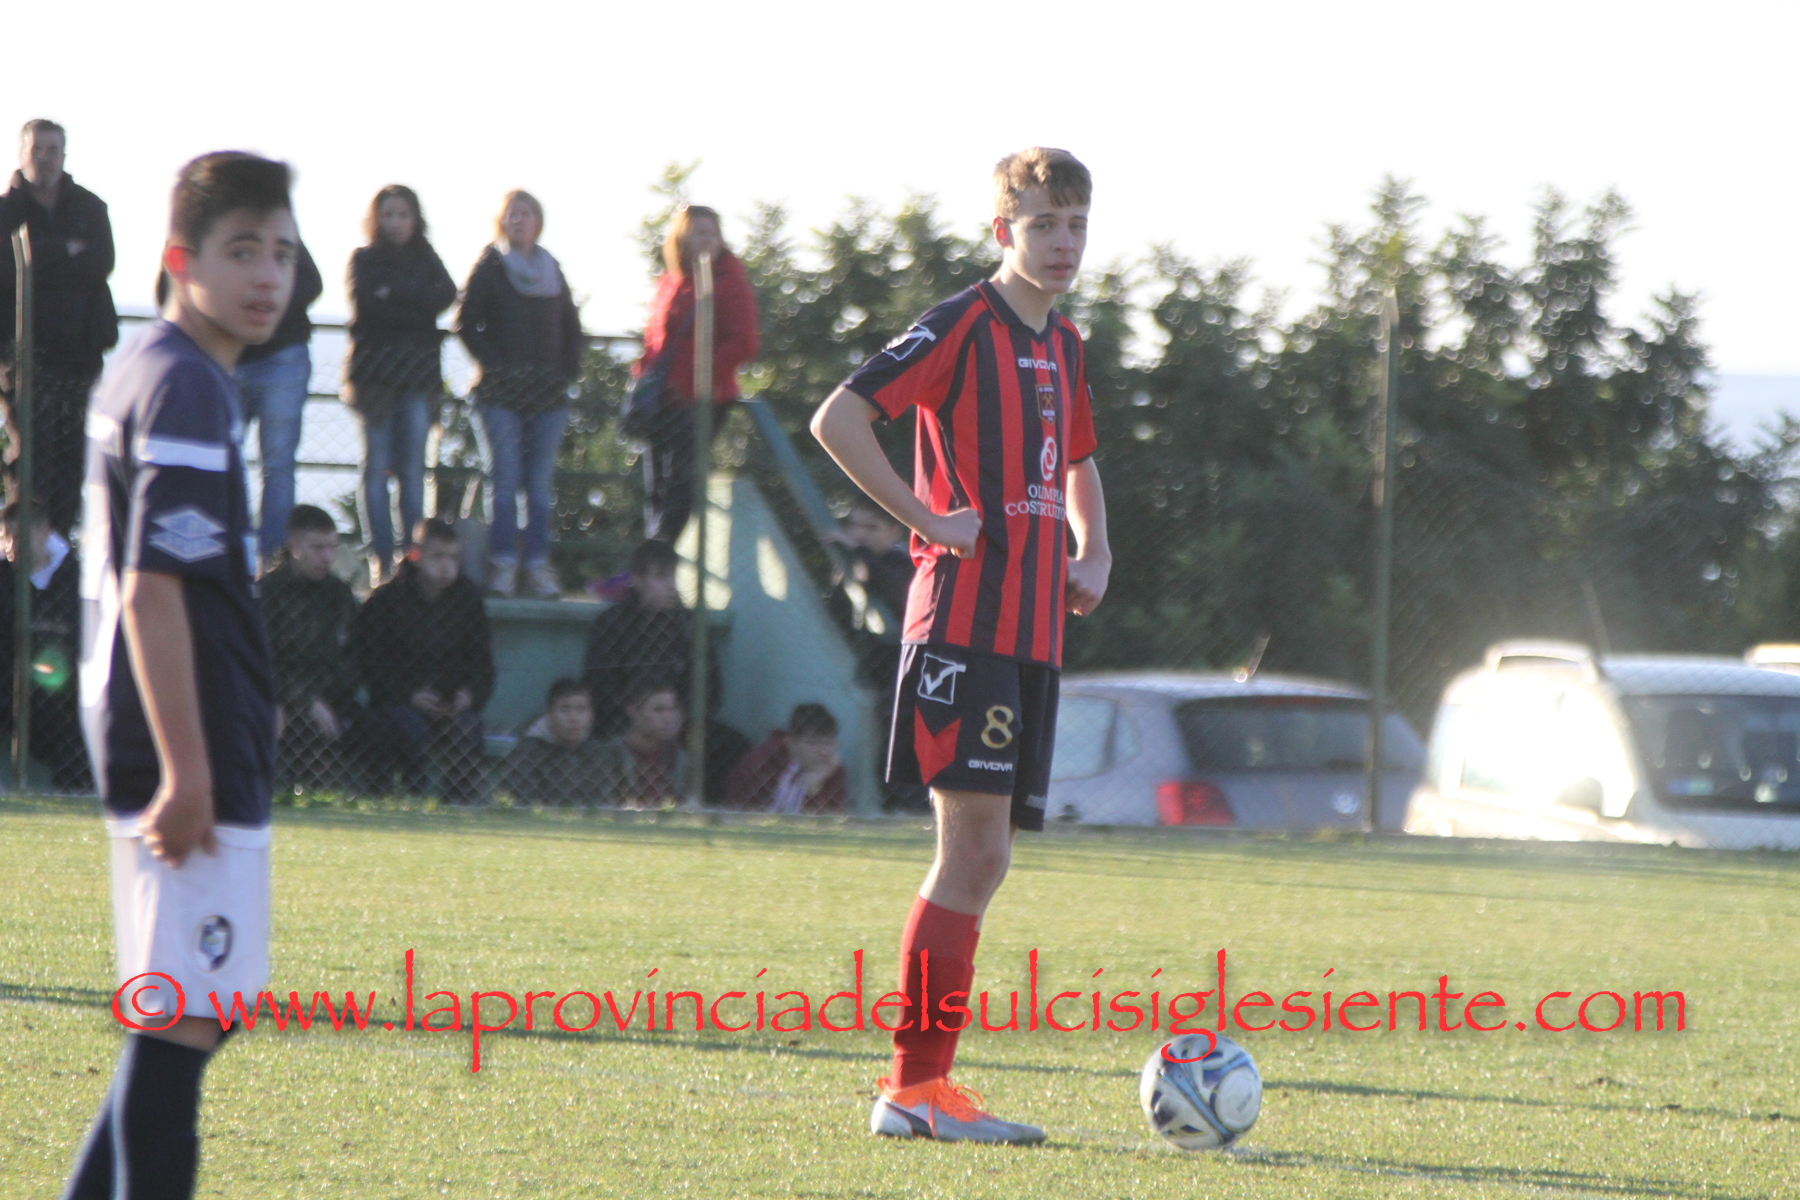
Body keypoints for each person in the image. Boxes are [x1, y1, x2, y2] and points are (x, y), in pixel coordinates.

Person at [810, 148, 1111, 1144]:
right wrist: (928, 519)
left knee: (987, 859)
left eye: (1075, 224)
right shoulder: (960, 324)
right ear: (1002, 231)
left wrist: (1095, 547)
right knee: (971, 852)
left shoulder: (1064, 344)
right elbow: (838, 417)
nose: (1062, 242)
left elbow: (1078, 458)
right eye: (1042, 224)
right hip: (962, 629)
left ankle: (922, 1089)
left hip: (1031, 637)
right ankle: (913, 1090)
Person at [65, 151, 294, 1200]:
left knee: (182, 1018)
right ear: (180, 259)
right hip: (181, 746)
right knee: (184, 1024)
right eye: (241, 250)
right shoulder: (189, 387)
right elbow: (153, 589)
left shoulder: (147, 367)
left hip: (169, 732)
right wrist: (188, 768)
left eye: (281, 252)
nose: (267, 275)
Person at [455, 190, 583, 598]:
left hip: (548, 395)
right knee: (505, 480)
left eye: (526, 213)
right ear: (501, 220)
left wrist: (565, 373)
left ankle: (537, 567)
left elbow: (572, 327)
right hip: (499, 394)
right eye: (512, 214)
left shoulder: (551, 269)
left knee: (539, 486)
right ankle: (503, 565)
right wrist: (496, 366)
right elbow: (465, 322)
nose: (518, 220)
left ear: (538, 221)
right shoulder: (490, 266)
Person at [0, 119, 117, 533]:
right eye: (38, 149)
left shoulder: (90, 208)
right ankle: (23, 551)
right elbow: (5, 269)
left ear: (64, 155)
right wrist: (62, 250)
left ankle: (59, 552)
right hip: (23, 357)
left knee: (74, 457)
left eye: (52, 149)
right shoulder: (5, 211)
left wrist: (34, 261)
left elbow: (101, 263)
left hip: (81, 356)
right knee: (31, 458)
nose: (45, 157)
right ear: (23, 153)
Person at [344, 184, 457, 584]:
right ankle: (381, 559)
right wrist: (415, 304)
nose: (394, 223)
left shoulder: (428, 259)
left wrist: (394, 294)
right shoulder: (364, 259)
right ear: (376, 219)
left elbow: (445, 295)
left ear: (415, 219)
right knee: (376, 471)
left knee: (412, 472)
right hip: (374, 381)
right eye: (387, 214)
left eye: (402, 214)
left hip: (418, 379)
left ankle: (412, 558)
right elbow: (366, 304)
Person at [637, 204, 760, 542]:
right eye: (700, 233)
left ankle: (661, 551)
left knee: (680, 480)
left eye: (713, 234)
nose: (708, 241)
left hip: (704, 398)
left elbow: (744, 343)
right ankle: (652, 556)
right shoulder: (670, 281)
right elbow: (654, 340)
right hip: (662, 400)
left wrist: (699, 377)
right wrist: (643, 378)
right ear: (681, 239)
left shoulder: (729, 281)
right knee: (656, 482)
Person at [348, 517, 493, 802]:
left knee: (468, 728)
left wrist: (468, 695)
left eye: (454, 557)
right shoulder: (386, 601)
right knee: (404, 726)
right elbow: (371, 665)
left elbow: (482, 664)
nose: (447, 566)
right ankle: (411, 797)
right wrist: (409, 695)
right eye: (438, 556)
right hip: (400, 703)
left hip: (451, 704)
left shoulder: (468, 600)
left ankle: (459, 805)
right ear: (415, 555)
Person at [233, 234, 320, 565]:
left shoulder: (279, 230)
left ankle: (270, 560)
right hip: (228, 358)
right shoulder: (217, 228)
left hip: (279, 355)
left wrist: (265, 304)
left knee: (277, 465)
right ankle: (234, 553)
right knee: (224, 459)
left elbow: (311, 284)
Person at [260, 504, 358, 788]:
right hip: (280, 697)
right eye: (317, 548)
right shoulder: (268, 593)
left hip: (331, 695)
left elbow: (352, 658)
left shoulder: (339, 595)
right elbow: (262, 660)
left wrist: (324, 697)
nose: (327, 557)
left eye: (332, 548)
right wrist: (302, 698)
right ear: (294, 546)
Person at [0, 495, 89, 791]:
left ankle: (76, 792)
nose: (12, 546)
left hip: (63, 699)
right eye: (6, 537)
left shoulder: (76, 579)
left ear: (43, 532)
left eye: (19, 536)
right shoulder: (3, 578)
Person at [582, 538, 703, 736]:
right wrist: (638, 717)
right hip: (623, 726)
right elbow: (600, 686)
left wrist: (677, 715)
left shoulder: (688, 624)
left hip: (678, 725)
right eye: (661, 576)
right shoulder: (611, 623)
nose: (671, 585)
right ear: (637, 580)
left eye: (674, 576)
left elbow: (708, 686)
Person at [495, 678, 610, 805]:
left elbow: (603, 803)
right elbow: (523, 802)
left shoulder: (597, 753)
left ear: (591, 716)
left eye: (581, 709)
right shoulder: (527, 753)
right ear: (549, 714)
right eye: (564, 709)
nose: (573, 718)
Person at [724, 703, 848, 813]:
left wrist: (814, 789)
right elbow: (739, 809)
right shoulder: (763, 761)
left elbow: (833, 821)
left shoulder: (832, 769)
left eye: (829, 743)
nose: (824, 752)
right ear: (791, 742)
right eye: (813, 742)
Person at [593, 678, 689, 807]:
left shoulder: (679, 756)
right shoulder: (610, 755)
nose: (668, 719)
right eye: (658, 710)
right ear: (633, 711)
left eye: (673, 709)